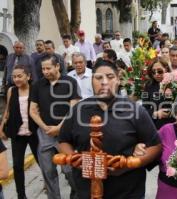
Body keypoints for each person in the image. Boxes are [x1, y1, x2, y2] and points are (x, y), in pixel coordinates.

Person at [58, 60, 161, 199]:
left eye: (110, 77)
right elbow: (63, 141)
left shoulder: (135, 110)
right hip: (86, 189)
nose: (104, 82)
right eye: (98, 77)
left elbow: (155, 146)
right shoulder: (78, 110)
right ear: (91, 81)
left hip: (128, 191)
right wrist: (77, 161)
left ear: (118, 80)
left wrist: (131, 163)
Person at [29, 54, 81, 199]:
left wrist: (59, 127)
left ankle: (76, 195)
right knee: (48, 171)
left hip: (65, 134)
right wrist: (45, 127)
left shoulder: (70, 82)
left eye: (48, 68)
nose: (45, 72)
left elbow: (73, 108)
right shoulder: (38, 85)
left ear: (57, 66)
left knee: (69, 170)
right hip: (45, 134)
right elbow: (32, 110)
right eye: (43, 69)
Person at [0, 65, 39, 199]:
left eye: (19, 76)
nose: (16, 79)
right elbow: (8, 110)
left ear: (28, 76)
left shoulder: (35, 89)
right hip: (17, 134)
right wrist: (1, 127)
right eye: (14, 77)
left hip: (34, 133)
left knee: (43, 163)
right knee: (17, 166)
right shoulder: (11, 90)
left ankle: (50, 186)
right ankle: (21, 195)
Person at [142, 58, 174, 129]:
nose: (156, 74)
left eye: (160, 71)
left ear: (166, 69)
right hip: (156, 126)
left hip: (174, 125)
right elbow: (144, 109)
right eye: (153, 72)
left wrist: (171, 112)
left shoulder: (175, 83)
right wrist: (156, 113)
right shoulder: (148, 85)